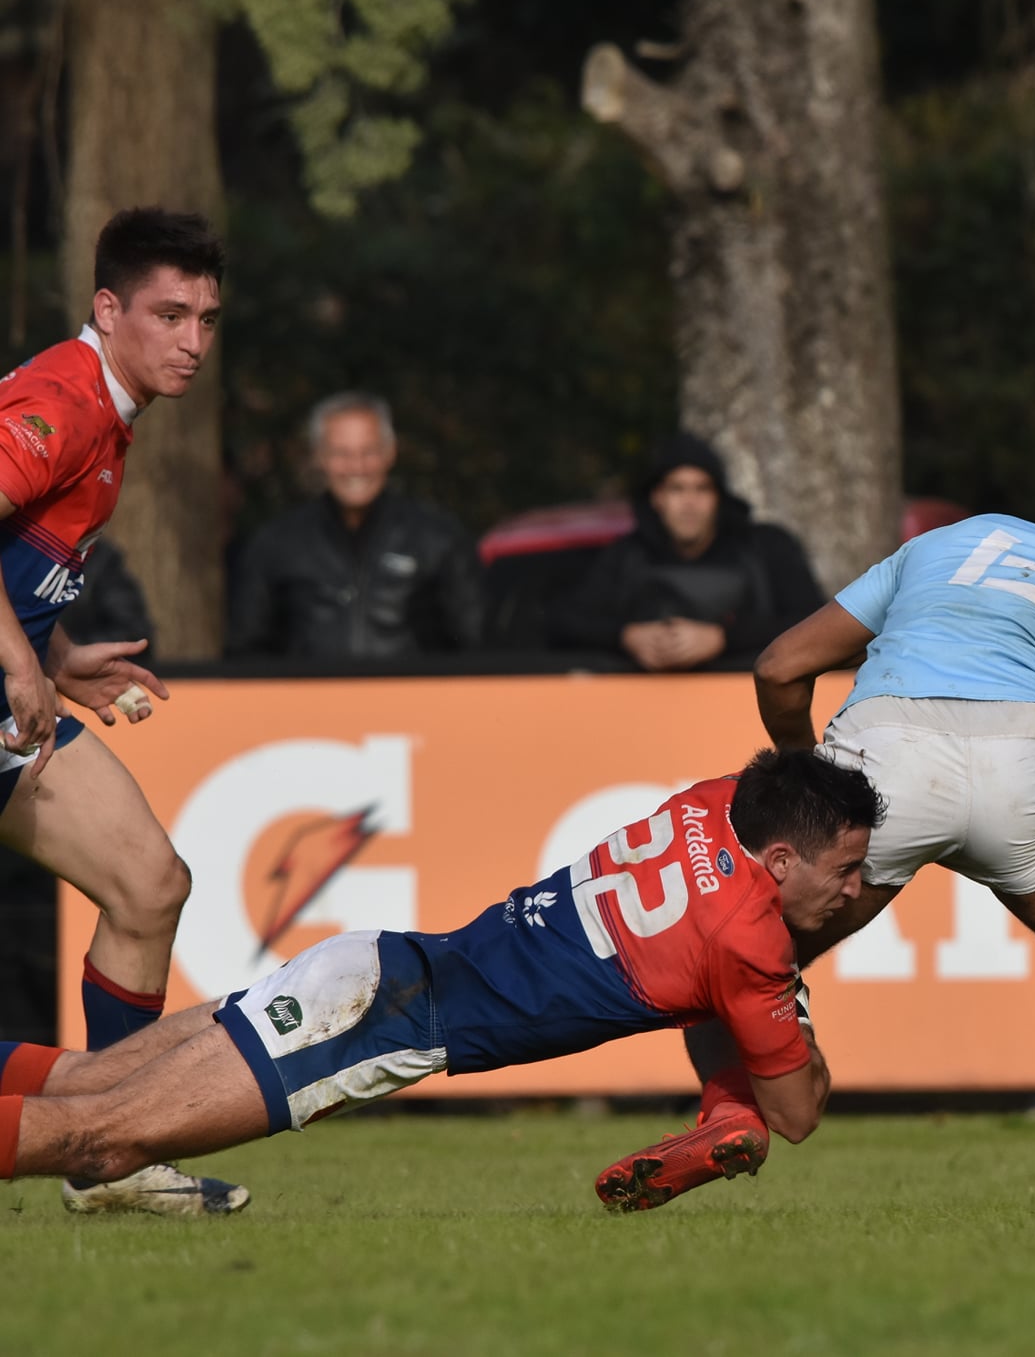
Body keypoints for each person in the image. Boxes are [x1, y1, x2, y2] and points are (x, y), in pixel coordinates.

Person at [602, 427, 1035, 1215]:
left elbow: (780, 666)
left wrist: (815, 792)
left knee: (729, 955)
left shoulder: (966, 536)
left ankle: (729, 1113)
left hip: (884, 753)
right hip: (1023, 768)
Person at [0, 750, 880, 1212]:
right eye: (845, 871)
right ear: (777, 857)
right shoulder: (749, 944)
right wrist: (780, 1037)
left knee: (86, 1079)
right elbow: (797, 1113)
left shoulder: (714, 800)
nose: (855, 891)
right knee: (104, 1142)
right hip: (369, 1018)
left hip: (369, 970)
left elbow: (706, 979)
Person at [0, 207, 247, 1215]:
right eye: (169, 313)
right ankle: (78, 1108)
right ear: (108, 309)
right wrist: (18, 657)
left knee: (150, 884)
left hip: (12, 697)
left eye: (207, 318)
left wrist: (54, 658)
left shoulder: (112, 416)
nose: (192, 341)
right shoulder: (61, 400)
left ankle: (113, 1154)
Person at [226, 391, 483, 660]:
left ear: (390, 453)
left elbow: (477, 648)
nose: (356, 466)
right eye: (341, 453)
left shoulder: (439, 539)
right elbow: (245, 651)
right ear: (320, 456)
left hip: (413, 701)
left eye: (368, 451)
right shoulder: (276, 543)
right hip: (311, 701)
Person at [549, 433, 824, 670]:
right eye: (677, 489)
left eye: (701, 489)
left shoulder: (766, 548)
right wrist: (626, 636)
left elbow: (814, 622)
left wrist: (724, 639)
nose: (689, 503)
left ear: (718, 498)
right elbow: (564, 622)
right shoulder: (626, 556)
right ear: (657, 498)